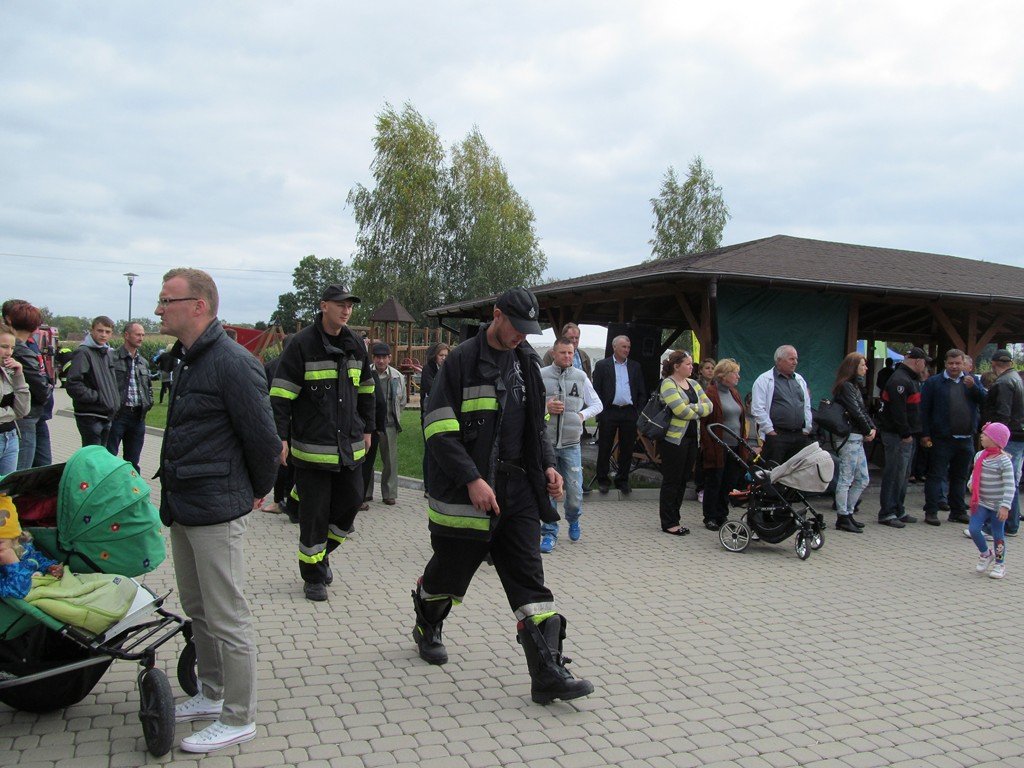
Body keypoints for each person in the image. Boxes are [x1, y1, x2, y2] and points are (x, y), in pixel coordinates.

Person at [412, 288, 594, 705]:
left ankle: (548, 673)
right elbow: (437, 428)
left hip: (519, 492)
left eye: (528, 330)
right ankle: (427, 621)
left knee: (530, 579)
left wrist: (548, 465)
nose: (520, 336)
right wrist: (473, 478)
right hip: (467, 493)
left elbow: (535, 428)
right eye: (516, 327)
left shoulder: (527, 360)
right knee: (449, 575)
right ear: (496, 315)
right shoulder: (460, 361)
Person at [156, 268, 279, 753]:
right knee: (198, 609)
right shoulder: (186, 359)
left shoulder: (232, 362)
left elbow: (265, 441)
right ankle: (210, 692)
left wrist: (256, 490)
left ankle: (238, 715)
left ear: (199, 305)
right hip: (184, 504)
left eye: (167, 300)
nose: (160, 309)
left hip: (216, 508)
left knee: (228, 616)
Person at [269, 284, 375, 602]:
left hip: (350, 447)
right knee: (314, 517)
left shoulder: (356, 344)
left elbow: (368, 390)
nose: (346, 310)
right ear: (324, 305)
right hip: (312, 450)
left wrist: (369, 428)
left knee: (351, 503)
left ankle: (320, 552)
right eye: (341, 304)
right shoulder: (302, 345)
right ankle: (313, 576)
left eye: (350, 306)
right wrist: (281, 437)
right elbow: (282, 395)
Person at [539, 336, 603, 552]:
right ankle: (549, 532)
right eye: (563, 352)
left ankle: (573, 518)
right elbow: (529, 407)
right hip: (546, 444)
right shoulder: (541, 375)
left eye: (571, 352)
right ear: (554, 354)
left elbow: (597, 404)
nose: (568, 356)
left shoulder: (580, 376)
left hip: (571, 444)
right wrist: (546, 408)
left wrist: (581, 416)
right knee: (549, 490)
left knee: (574, 492)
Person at [919, 349, 985, 527]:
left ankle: (958, 511)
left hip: (966, 438)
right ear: (945, 364)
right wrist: (925, 434)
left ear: (964, 363)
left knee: (960, 476)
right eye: (951, 363)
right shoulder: (934, 383)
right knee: (936, 475)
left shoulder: (972, 381)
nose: (954, 366)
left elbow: (984, 400)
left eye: (958, 363)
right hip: (942, 438)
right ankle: (931, 511)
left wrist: (974, 388)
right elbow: (924, 410)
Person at [656, 351, 712, 535]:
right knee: (672, 480)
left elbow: (709, 406)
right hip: (673, 440)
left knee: (683, 479)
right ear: (676, 366)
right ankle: (668, 521)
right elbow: (680, 411)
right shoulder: (668, 384)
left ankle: (676, 517)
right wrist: (697, 410)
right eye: (687, 364)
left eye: (691, 364)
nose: (691, 367)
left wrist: (693, 408)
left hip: (691, 438)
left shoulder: (694, 384)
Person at [875, 347, 930, 527]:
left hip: (905, 435)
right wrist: (905, 433)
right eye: (924, 362)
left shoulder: (908, 379)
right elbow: (899, 411)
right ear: (917, 361)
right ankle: (887, 512)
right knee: (894, 473)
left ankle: (898, 509)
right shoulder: (900, 380)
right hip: (897, 435)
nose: (925, 366)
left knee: (903, 474)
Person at [592, 335, 646, 494]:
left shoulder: (635, 366)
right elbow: (597, 389)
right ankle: (603, 479)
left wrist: (639, 411)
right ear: (614, 347)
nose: (626, 350)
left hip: (629, 412)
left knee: (627, 448)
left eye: (628, 347)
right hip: (609, 410)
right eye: (623, 347)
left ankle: (622, 480)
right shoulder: (602, 365)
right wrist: (600, 410)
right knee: (605, 447)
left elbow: (641, 391)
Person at [699, 358, 747, 531]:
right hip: (718, 446)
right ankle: (710, 516)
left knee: (729, 481)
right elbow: (704, 423)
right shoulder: (711, 393)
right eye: (735, 373)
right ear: (724, 375)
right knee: (714, 481)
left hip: (735, 445)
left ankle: (722, 514)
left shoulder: (734, 393)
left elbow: (740, 417)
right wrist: (708, 446)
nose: (738, 376)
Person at [830, 353, 876, 533]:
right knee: (846, 478)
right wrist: (868, 429)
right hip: (849, 438)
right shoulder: (846, 387)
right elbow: (856, 411)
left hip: (857, 437)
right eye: (863, 365)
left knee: (862, 478)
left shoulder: (854, 387)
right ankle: (842, 516)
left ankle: (848, 512)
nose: (865, 369)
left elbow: (861, 410)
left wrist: (871, 428)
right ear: (853, 367)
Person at [980, 349, 1024, 537]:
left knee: (1003, 480)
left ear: (993, 363)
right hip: (1018, 434)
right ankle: (1011, 524)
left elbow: (1003, 413)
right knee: (1010, 478)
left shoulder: (1004, 382)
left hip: (1009, 436)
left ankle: (1000, 526)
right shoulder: (1016, 378)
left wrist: (996, 438)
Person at [4, 304, 50, 471]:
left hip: (33, 414)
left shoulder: (28, 346)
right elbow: (40, 387)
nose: (8, 351)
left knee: (38, 467)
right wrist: (49, 388)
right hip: (26, 416)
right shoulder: (21, 350)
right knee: (22, 470)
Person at [750, 345, 813, 466]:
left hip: (799, 435)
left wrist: (806, 428)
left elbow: (806, 405)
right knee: (773, 472)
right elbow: (757, 408)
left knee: (796, 474)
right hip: (778, 436)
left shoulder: (799, 380)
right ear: (779, 360)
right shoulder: (763, 379)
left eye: (796, 359)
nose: (795, 362)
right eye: (791, 359)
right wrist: (770, 431)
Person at [967, 422, 1015, 580]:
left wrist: (1005, 506)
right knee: (974, 529)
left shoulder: (1004, 461)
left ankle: (1000, 564)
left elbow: (1010, 485)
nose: (981, 436)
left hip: (997, 505)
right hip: (981, 502)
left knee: (997, 534)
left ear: (996, 440)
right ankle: (985, 553)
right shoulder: (980, 455)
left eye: (986, 434)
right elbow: (975, 474)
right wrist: (970, 484)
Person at [106, 322, 153, 473]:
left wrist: (148, 402)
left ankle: (133, 493)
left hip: (138, 417)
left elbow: (148, 387)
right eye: (137, 334)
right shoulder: (112, 358)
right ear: (126, 335)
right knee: (108, 458)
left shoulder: (143, 362)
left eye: (143, 335)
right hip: (117, 415)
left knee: (133, 461)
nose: (141, 338)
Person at [66, 316, 119, 447]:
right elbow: (73, 384)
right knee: (92, 456)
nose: (103, 335)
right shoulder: (83, 352)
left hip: (106, 414)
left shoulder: (107, 353)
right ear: (92, 331)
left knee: (101, 456)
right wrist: (98, 397)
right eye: (100, 331)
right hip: (90, 415)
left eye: (107, 332)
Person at [364, 342, 406, 505]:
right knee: (368, 459)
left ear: (389, 358)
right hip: (370, 425)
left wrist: (396, 416)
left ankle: (389, 493)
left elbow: (401, 400)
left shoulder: (397, 376)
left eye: (384, 357)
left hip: (389, 423)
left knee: (390, 459)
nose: (381, 361)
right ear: (373, 358)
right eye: (377, 357)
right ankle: (366, 492)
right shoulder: (366, 373)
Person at [419, 341, 450, 489]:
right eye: (441, 355)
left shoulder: (450, 369)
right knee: (429, 450)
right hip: (429, 415)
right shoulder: (428, 369)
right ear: (435, 356)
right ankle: (428, 486)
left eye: (446, 355)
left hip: (447, 415)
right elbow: (432, 389)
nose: (443, 358)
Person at [0, 325, 29, 476]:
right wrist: (12, 413)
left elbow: (23, 410)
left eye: (12, 347)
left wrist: (19, 375)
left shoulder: (9, 371)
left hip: (10, 437)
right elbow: (16, 412)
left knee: (5, 493)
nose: (9, 352)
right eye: (4, 347)